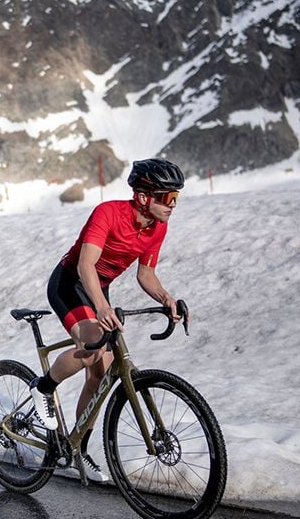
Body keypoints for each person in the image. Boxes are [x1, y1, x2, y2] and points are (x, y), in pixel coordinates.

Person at [29, 158, 186, 482]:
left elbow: (146, 274)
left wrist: (166, 299)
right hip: (71, 282)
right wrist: (101, 309)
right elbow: (86, 266)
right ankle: (43, 387)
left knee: (99, 376)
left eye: (177, 198)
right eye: (167, 198)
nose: (173, 205)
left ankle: (76, 447)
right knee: (92, 347)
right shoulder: (109, 213)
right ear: (143, 197)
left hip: (99, 289)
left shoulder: (158, 227)